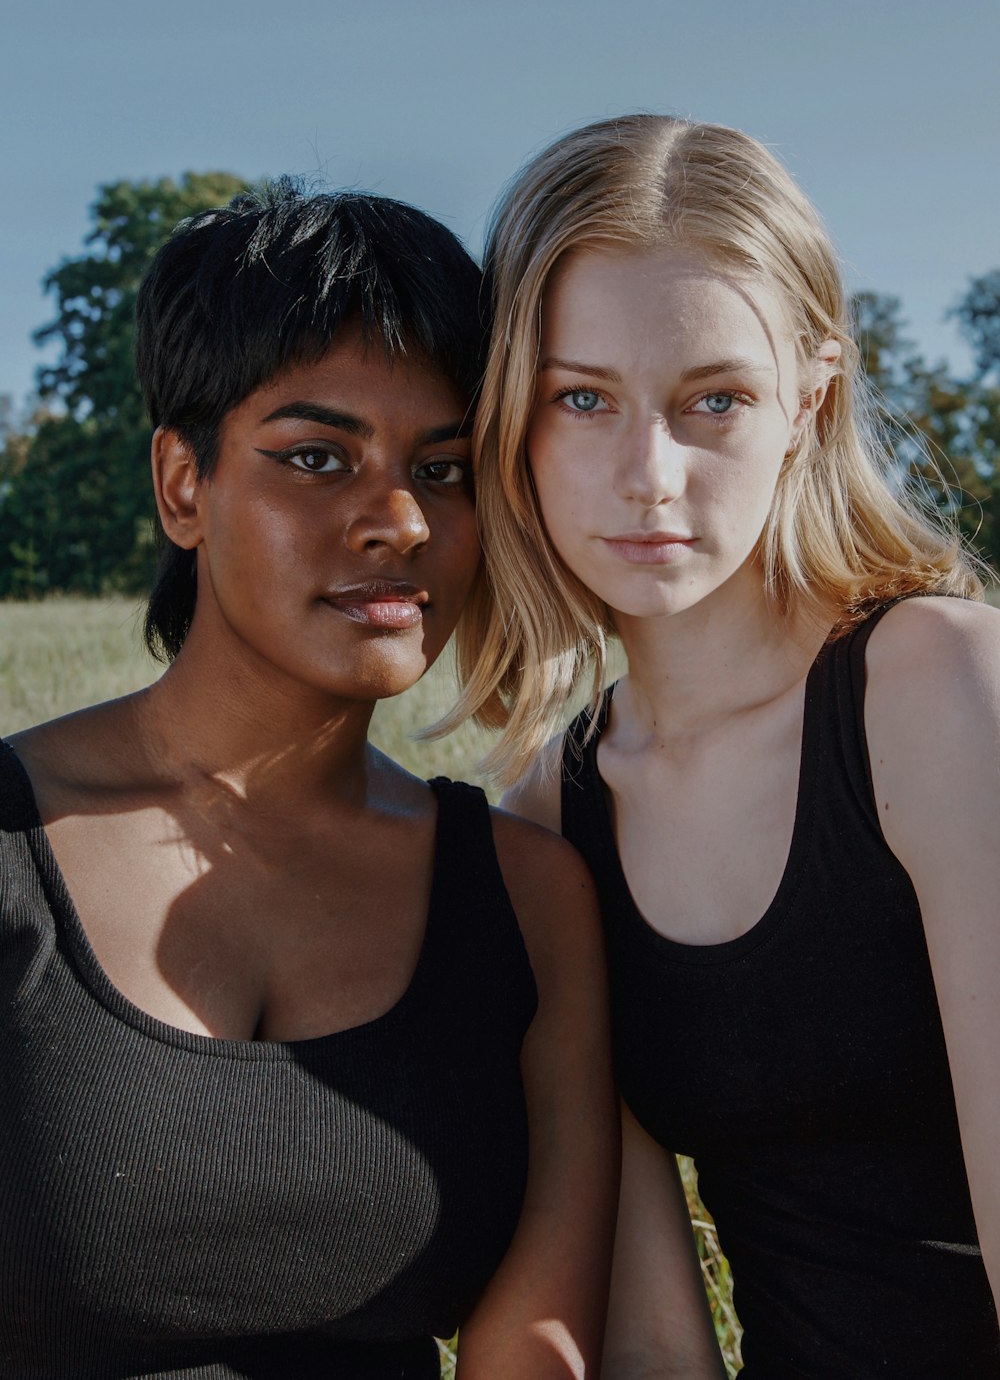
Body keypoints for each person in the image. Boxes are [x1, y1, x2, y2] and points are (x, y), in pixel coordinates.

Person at [0, 180, 617, 1379]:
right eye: (317, 457)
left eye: (444, 470)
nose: (396, 520)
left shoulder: (531, 900)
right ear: (185, 484)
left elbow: (534, 1350)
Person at [449, 115, 1000, 1377]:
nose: (647, 474)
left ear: (806, 399)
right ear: (511, 422)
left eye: (713, 400)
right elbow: (652, 1333)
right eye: (581, 399)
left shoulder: (938, 691)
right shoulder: (548, 816)